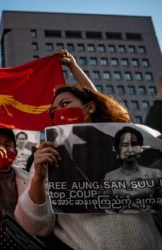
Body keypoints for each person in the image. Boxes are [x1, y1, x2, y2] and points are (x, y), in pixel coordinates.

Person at [14, 50, 162, 249]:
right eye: (54, 111)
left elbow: (98, 101)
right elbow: (37, 226)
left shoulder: (122, 140)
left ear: (90, 108)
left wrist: (74, 68)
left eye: (65, 104)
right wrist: (39, 179)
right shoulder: (49, 156)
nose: (59, 112)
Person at [103, 126, 162, 213]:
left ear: (141, 148)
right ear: (117, 149)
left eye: (134, 144)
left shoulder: (155, 174)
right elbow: (108, 207)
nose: (130, 150)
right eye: (124, 145)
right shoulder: (110, 177)